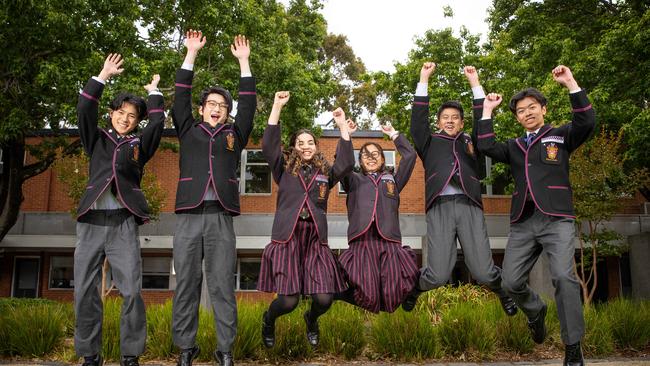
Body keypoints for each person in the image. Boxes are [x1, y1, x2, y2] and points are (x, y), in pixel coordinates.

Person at [477, 65, 595, 366]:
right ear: (516, 117)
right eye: (520, 111)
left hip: (557, 219)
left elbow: (586, 121)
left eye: (532, 107)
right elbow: (485, 145)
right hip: (524, 222)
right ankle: (535, 311)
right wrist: (488, 109)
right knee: (511, 281)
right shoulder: (514, 146)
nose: (527, 113)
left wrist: (570, 82)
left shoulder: (560, 136)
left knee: (564, 277)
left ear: (543, 109)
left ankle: (572, 347)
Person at [404, 62, 518, 316]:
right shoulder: (429, 141)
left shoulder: (471, 141)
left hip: (469, 205)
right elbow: (417, 122)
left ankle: (503, 292)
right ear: (438, 122)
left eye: (455, 118)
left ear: (462, 123)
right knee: (438, 275)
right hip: (440, 208)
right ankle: (415, 289)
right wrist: (424, 78)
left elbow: (483, 123)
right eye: (445, 117)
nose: (450, 121)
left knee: (482, 271)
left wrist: (475, 83)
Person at [171, 30, 256, 366]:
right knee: (186, 285)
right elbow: (179, 96)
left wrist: (244, 62)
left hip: (221, 216)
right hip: (189, 216)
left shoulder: (235, 134)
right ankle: (186, 348)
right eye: (212, 104)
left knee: (221, 285)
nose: (217, 109)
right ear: (202, 108)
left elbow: (248, 104)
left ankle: (225, 350)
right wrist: (190, 53)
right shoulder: (187, 129)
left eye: (223, 106)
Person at [74, 53, 164, 366]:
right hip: (92, 223)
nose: (125, 119)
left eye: (132, 116)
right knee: (84, 291)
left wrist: (154, 92)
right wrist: (103, 74)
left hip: (123, 223)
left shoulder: (140, 144)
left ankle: (130, 355)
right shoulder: (96, 139)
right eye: (121, 112)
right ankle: (89, 355)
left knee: (131, 291)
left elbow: (158, 122)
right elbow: (85, 108)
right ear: (112, 113)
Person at [257, 92, 354, 348]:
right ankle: (268, 319)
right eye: (300, 142)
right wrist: (276, 105)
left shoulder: (325, 174)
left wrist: (342, 125)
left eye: (310, 141)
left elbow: (345, 163)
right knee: (287, 301)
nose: (306, 146)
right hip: (288, 237)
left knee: (323, 299)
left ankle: (311, 319)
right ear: (294, 146)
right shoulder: (283, 170)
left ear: (315, 145)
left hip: (315, 240)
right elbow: (268, 145)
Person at [335, 122, 420, 313]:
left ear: (382, 160)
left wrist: (394, 134)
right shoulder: (353, 179)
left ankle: (412, 293)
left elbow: (410, 156)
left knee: (391, 295)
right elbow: (342, 162)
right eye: (365, 154)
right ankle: (336, 293)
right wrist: (346, 134)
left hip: (389, 241)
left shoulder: (393, 181)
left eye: (376, 154)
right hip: (363, 242)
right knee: (369, 296)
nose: (371, 157)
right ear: (359, 161)